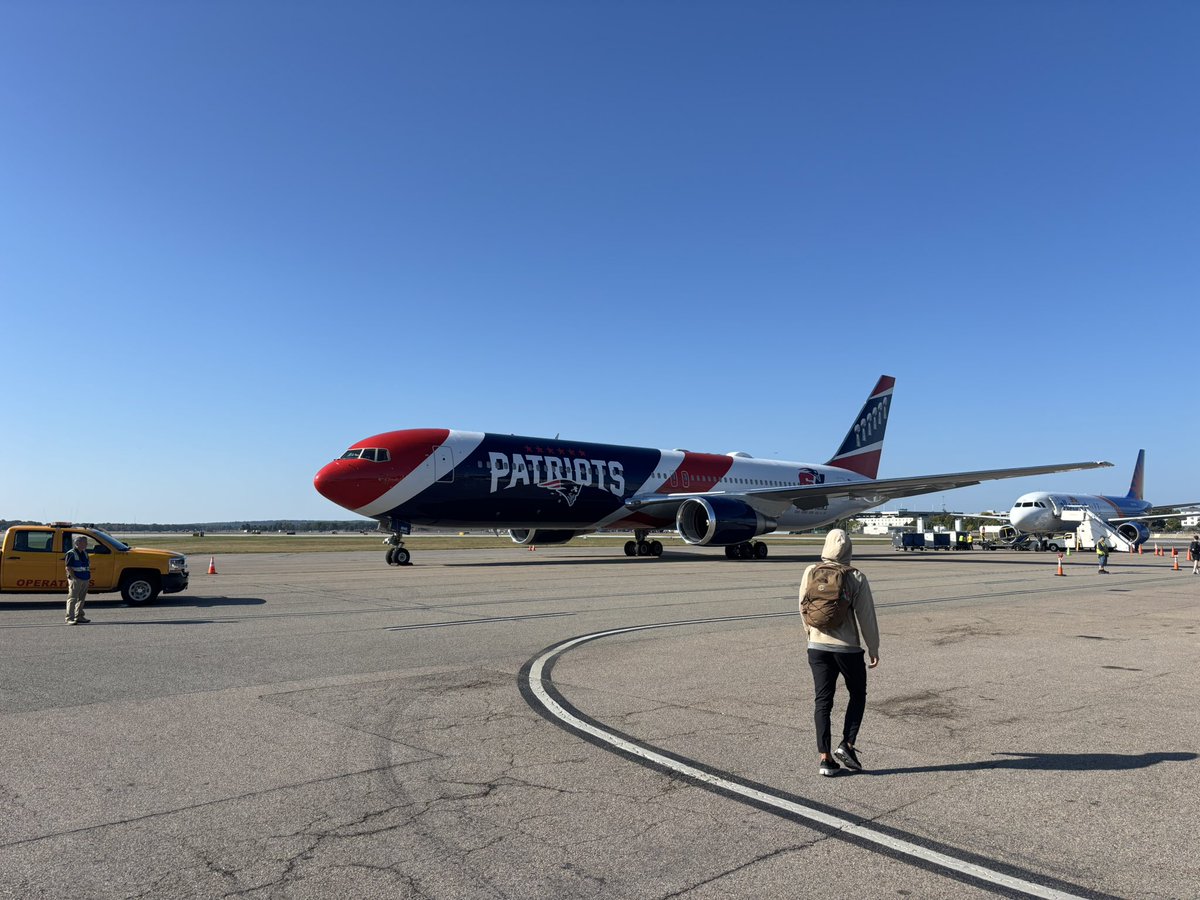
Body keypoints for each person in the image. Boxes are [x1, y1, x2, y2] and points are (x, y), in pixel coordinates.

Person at [799, 528, 880, 777]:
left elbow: (802, 606)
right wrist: (873, 647)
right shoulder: (855, 576)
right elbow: (866, 616)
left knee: (823, 700)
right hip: (847, 649)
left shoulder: (810, 571)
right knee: (858, 694)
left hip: (817, 646)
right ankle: (847, 744)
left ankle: (825, 759)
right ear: (848, 549)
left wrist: (811, 637)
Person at [64, 535, 91, 625]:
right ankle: (69, 618)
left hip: (85, 578)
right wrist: (74, 578)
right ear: (77, 543)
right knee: (72, 598)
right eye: (84, 542)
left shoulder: (85, 553)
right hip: (76, 579)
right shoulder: (71, 553)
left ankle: (79, 616)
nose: (86, 544)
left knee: (81, 598)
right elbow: (68, 567)